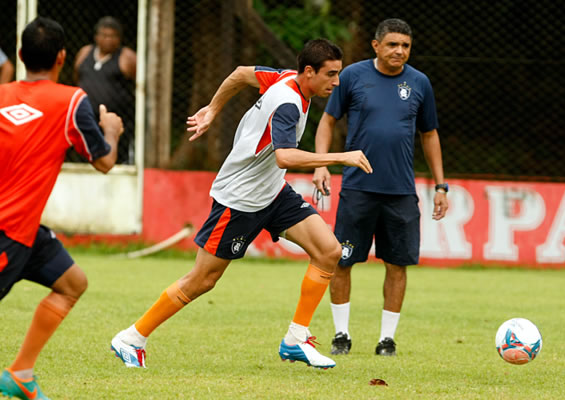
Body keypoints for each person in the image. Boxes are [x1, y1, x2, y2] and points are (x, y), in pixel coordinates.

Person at [110, 38, 372, 370]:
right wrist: (339, 158)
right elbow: (285, 156)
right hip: (240, 200)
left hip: (273, 193)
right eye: (331, 75)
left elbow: (239, 74)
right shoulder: (289, 103)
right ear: (309, 72)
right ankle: (132, 337)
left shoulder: (283, 77)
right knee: (202, 280)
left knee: (328, 251)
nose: (337, 82)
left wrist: (212, 109)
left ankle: (296, 338)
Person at [0, 17, 123, 400]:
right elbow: (104, 162)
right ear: (62, 57)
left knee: (72, 284)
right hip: (8, 232)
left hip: (23, 230)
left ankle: (20, 372)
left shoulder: (0, 96)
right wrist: (112, 132)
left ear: (20, 56)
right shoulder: (71, 101)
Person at [312, 18, 449, 357]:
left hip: (401, 191)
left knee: (397, 264)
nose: (399, 51)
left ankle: (387, 339)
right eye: (392, 44)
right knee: (342, 261)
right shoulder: (353, 77)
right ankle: (341, 335)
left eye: (404, 45)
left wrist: (441, 185)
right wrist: (321, 164)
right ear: (376, 46)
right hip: (357, 188)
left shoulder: (420, 83)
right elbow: (327, 122)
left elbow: (429, 134)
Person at [74, 16, 136, 164]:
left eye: (113, 36)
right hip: (87, 120)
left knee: (115, 159)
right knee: (85, 159)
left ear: (119, 38)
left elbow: (139, 84)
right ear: (96, 37)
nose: (108, 39)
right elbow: (76, 77)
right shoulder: (85, 53)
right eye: (104, 35)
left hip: (116, 122)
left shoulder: (126, 57)